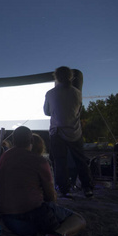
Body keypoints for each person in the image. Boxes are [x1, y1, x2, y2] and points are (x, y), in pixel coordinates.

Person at [0, 126, 86, 236]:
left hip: (7, 221)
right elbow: (50, 196)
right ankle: (57, 235)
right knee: (78, 219)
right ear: (31, 141)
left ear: (13, 140)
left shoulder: (4, 157)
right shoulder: (39, 161)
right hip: (30, 220)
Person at [44, 66, 93, 198]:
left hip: (57, 132)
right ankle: (87, 188)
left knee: (60, 162)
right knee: (80, 160)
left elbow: (47, 112)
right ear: (71, 77)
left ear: (56, 77)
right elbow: (78, 111)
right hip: (74, 132)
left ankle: (64, 189)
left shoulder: (50, 93)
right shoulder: (77, 93)